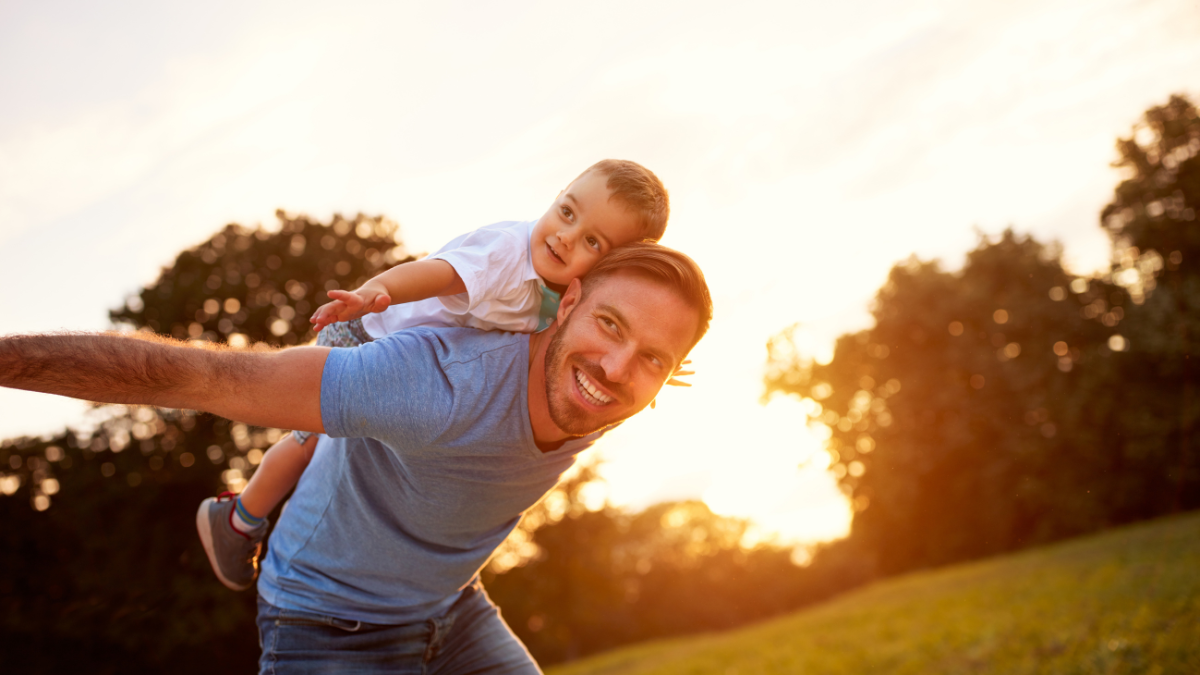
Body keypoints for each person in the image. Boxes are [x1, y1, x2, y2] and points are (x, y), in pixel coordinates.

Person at [0, 242, 712, 673]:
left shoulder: (606, 390)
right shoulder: (431, 382)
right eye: (609, 326)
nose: (617, 367)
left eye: (653, 358)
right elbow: (209, 378)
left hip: (450, 607)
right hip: (327, 619)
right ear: (569, 301)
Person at [198, 159, 676, 592]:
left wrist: (651, 360)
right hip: (366, 331)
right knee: (310, 441)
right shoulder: (504, 254)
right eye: (566, 212)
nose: (566, 236)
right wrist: (376, 290)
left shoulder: (568, 291)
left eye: (593, 241)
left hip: (420, 367)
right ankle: (239, 519)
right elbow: (438, 274)